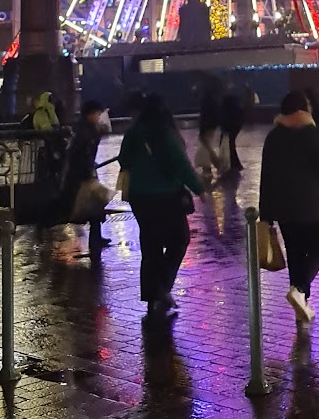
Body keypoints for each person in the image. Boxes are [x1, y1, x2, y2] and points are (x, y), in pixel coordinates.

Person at [118, 92, 203, 315]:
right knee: (179, 239)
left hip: (139, 196)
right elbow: (181, 165)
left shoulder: (134, 132)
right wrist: (200, 189)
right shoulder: (167, 133)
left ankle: (152, 297)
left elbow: (123, 160)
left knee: (150, 244)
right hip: (166, 196)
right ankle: (161, 287)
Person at [258, 91, 319, 326]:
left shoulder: (274, 137)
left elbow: (266, 176)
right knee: (318, 250)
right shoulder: (314, 135)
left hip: (283, 208)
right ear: (304, 110)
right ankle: (300, 290)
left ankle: (301, 307)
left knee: (296, 254)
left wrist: (266, 213)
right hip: (310, 205)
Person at [64, 100, 112, 253]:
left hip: (85, 172)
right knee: (93, 206)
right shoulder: (85, 131)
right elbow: (81, 153)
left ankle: (96, 238)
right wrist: (88, 170)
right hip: (83, 174)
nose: (99, 117)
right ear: (90, 114)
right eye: (97, 113)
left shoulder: (88, 129)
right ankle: (95, 240)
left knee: (96, 206)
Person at [196, 80, 224, 181]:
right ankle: (208, 168)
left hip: (206, 125)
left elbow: (204, 114)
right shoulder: (214, 99)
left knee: (206, 146)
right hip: (211, 124)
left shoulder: (206, 100)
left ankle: (214, 166)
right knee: (206, 145)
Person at [220, 86, 245, 173]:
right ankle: (234, 164)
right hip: (234, 126)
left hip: (229, 126)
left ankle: (231, 164)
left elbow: (224, 116)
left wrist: (224, 128)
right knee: (231, 144)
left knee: (228, 144)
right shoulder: (233, 102)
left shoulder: (225, 102)